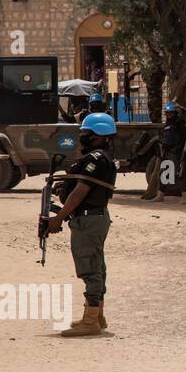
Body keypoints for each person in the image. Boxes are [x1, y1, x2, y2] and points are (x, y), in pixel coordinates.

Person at [46, 112, 118, 337]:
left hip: (89, 219)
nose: (82, 136)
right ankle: (95, 316)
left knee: (90, 267)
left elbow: (81, 192)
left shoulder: (96, 158)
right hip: (93, 217)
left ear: (99, 135)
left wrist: (58, 218)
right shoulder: (100, 157)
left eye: (86, 133)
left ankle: (91, 322)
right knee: (96, 265)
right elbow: (80, 187)